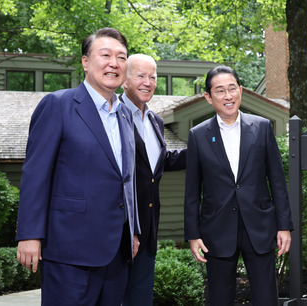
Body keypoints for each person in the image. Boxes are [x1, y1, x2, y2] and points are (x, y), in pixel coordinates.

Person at [15, 28, 140, 305]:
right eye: (105, 55)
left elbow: (127, 179)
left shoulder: (125, 115)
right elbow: (36, 174)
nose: (114, 63)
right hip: (69, 250)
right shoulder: (58, 105)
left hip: (116, 251)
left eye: (121, 58)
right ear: (85, 62)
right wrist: (29, 234)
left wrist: (132, 228)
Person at [184, 65, 294, 305]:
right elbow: (192, 190)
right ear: (208, 97)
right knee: (220, 298)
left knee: (266, 297)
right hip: (217, 230)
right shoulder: (198, 135)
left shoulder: (262, 127)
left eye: (232, 89)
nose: (228, 96)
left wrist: (284, 226)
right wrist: (192, 235)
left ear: (240, 91)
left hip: (260, 226)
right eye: (220, 90)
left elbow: (277, 180)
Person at [120, 54, 187, 306]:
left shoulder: (155, 120)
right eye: (140, 75)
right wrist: (129, 227)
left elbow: (157, 164)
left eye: (153, 77)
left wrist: (203, 149)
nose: (148, 82)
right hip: (120, 231)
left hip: (149, 230)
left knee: (141, 298)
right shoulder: (112, 115)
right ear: (125, 79)